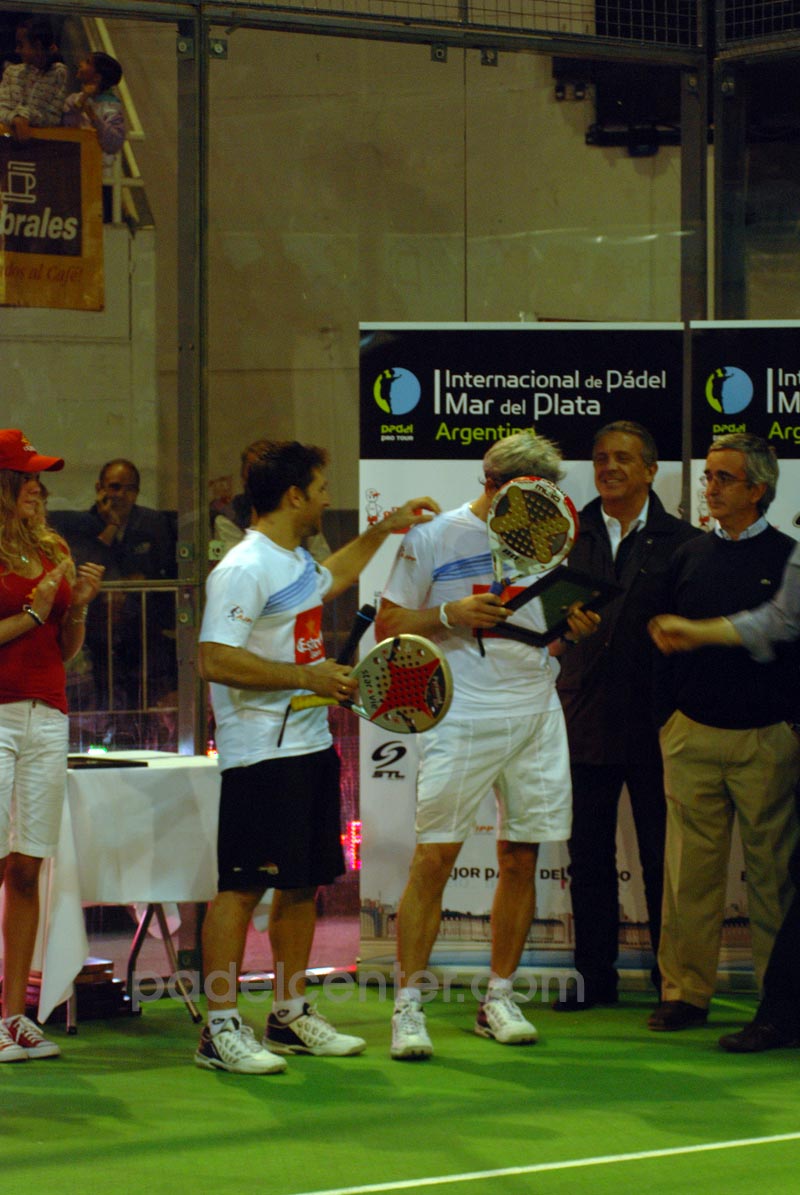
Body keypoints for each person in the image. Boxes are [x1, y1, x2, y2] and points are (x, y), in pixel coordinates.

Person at [196, 438, 437, 1074]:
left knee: (301, 885)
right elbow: (213, 659)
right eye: (322, 489)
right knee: (241, 889)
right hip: (259, 754)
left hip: (309, 744)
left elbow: (335, 576)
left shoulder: (293, 559)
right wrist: (307, 677)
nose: (329, 499)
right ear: (294, 495)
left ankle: (288, 1013)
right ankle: (219, 1027)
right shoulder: (244, 567)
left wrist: (386, 528)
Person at [375, 430, 599, 1061]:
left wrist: (571, 630)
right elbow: (389, 624)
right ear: (494, 483)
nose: (539, 505)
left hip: (535, 709)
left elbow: (543, 632)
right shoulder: (433, 536)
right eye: (527, 492)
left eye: (546, 493)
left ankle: (498, 997)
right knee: (434, 859)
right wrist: (451, 615)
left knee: (522, 856)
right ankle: (408, 1006)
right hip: (461, 711)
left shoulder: (547, 535)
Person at [648, 433, 800, 1032]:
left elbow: (785, 635)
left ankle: (779, 1001)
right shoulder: (687, 554)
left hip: (766, 737)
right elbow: (659, 641)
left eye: (723, 478)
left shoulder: (789, 556)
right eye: (708, 476)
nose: (709, 488)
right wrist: (669, 719)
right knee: (689, 873)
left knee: (773, 877)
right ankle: (685, 994)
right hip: (692, 733)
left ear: (757, 490)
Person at [551, 421, 701, 1011]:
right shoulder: (567, 534)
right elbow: (542, 621)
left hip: (657, 723)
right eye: (599, 458)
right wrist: (563, 627)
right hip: (583, 716)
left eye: (622, 458)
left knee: (665, 861)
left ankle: (674, 985)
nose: (608, 467)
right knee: (588, 859)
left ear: (650, 470)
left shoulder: (683, 541)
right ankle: (594, 980)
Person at [0, 429, 104, 1063]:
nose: (39, 488)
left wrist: (78, 608)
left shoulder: (54, 548)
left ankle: (14, 1015)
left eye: (41, 479)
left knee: (28, 866)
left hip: (48, 713)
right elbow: (32, 624)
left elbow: (63, 650)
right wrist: (35, 613)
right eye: (28, 478)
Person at [50, 459, 177, 714]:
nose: (121, 495)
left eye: (129, 489)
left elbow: (164, 570)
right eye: (115, 487)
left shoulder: (153, 523)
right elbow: (85, 568)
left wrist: (141, 581)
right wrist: (110, 527)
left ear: (137, 493)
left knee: (145, 699)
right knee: (103, 700)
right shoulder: (81, 524)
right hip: (97, 628)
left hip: (142, 627)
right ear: (100, 488)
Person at [213, 438, 330, 564]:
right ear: (243, 477)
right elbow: (233, 562)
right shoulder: (228, 517)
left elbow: (323, 561)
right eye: (255, 470)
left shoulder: (304, 513)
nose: (264, 477)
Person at [62, 51, 125, 222]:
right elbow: (66, 120)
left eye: (87, 62)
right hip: (73, 174)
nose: (81, 64)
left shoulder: (112, 107)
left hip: (99, 180)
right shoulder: (74, 99)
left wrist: (94, 117)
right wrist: (85, 97)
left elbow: (114, 143)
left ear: (97, 77)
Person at [0, 16, 67, 141]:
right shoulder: (11, 72)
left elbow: (54, 118)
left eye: (21, 45)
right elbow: (1, 108)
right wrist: (15, 119)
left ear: (37, 46)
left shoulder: (59, 73)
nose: (17, 50)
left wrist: (25, 117)